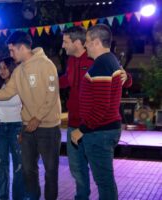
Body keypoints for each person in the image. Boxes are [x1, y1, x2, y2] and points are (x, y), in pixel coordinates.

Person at [0, 31, 62, 200]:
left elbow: (52, 94)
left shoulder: (46, 64)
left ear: (22, 48)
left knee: (50, 171)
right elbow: (5, 93)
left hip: (48, 127)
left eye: (12, 50)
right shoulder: (19, 71)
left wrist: (38, 117)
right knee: (28, 170)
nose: (10, 54)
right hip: (27, 127)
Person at [60, 26, 132, 200]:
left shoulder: (100, 63)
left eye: (88, 41)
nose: (86, 45)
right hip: (91, 126)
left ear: (96, 42)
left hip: (97, 129)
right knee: (93, 175)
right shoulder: (105, 60)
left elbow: (101, 106)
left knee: (104, 181)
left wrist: (82, 129)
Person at [0, 57, 26, 200]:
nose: (2, 71)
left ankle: (19, 197)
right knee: (1, 165)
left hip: (17, 127)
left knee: (19, 165)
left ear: (12, 68)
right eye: (0, 68)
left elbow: (25, 106)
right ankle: (2, 196)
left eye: (5, 68)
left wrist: (23, 128)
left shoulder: (20, 86)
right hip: (0, 128)